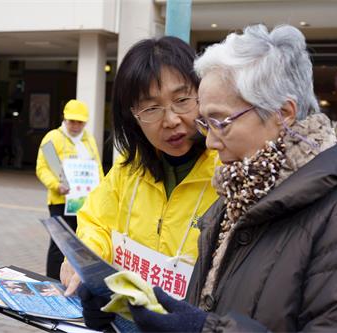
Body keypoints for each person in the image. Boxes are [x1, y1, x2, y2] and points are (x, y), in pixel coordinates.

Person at [125, 24, 337, 332]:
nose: (209, 141)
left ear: (283, 113)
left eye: (220, 122)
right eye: (204, 123)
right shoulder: (234, 200)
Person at [60, 36, 220, 329]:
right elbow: (97, 224)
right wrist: (83, 259)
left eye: (182, 100)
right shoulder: (127, 170)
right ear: (132, 117)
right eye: (151, 108)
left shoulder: (227, 171)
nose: (170, 120)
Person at [36, 99, 104, 279]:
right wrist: (56, 185)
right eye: (72, 121)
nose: (75, 125)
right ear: (65, 119)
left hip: (84, 202)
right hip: (60, 201)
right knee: (59, 245)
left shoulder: (88, 139)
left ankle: (75, 281)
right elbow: (42, 167)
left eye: (80, 122)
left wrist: (102, 193)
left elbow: (97, 168)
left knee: (82, 244)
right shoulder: (53, 138)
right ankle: (52, 281)